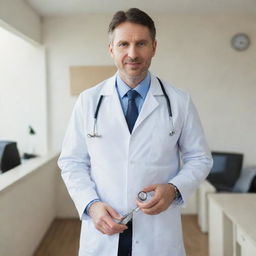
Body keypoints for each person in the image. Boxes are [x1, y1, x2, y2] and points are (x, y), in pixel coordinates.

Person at [58, 8, 213, 256]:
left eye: (141, 43)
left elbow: (200, 158)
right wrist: (91, 204)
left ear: (153, 47)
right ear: (111, 49)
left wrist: (173, 189)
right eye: (123, 44)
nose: (132, 53)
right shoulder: (88, 101)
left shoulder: (179, 102)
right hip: (103, 231)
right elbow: (72, 161)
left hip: (157, 233)